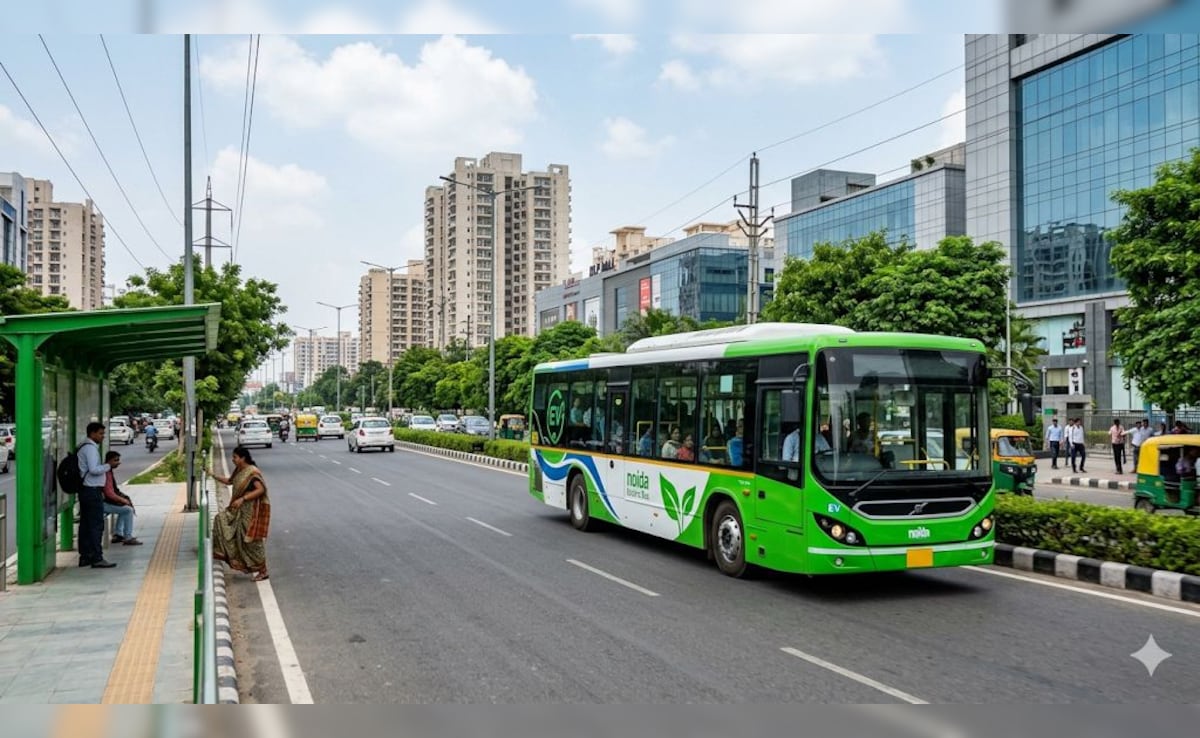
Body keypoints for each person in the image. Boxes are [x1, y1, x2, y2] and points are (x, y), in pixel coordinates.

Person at [211, 446, 272, 581]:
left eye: (235, 457)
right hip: (238, 509)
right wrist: (213, 475)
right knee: (221, 520)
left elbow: (260, 489)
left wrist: (243, 499)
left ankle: (263, 570)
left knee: (251, 540)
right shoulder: (239, 470)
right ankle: (232, 557)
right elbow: (229, 481)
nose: (233, 460)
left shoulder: (252, 472)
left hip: (250, 511)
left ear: (243, 458)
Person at [77, 422, 117, 568]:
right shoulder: (91, 449)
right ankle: (96, 557)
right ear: (92, 434)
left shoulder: (83, 447)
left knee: (86, 525)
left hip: (85, 490)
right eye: (100, 433)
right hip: (92, 490)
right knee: (95, 525)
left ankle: (85, 556)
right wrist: (108, 466)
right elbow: (94, 469)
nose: (102, 436)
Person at [102, 451, 142, 546]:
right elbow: (109, 493)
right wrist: (122, 500)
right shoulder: (106, 472)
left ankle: (118, 534)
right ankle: (127, 537)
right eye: (116, 460)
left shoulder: (107, 471)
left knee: (124, 508)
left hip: (104, 501)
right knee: (128, 510)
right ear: (109, 461)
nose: (118, 462)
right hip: (102, 503)